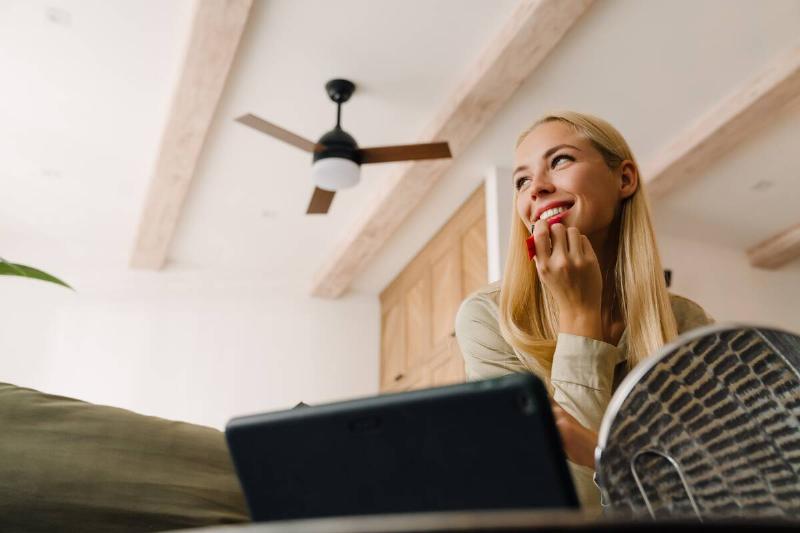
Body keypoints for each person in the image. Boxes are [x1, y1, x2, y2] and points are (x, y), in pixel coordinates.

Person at [454, 111, 713, 510]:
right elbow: (564, 505)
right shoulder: (488, 319)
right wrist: (580, 316)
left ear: (624, 179)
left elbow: (713, 492)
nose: (536, 188)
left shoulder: (689, 325)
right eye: (521, 181)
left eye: (560, 160)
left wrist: (595, 451)